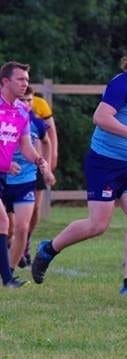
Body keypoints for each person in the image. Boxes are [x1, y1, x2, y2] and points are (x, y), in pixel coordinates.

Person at [31, 44, 127, 294]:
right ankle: (49, 248)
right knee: (98, 225)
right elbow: (101, 117)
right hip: (104, 163)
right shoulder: (123, 84)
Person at [0, 61, 55, 288]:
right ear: (5, 82)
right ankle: (8, 279)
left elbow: (25, 145)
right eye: (20, 79)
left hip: (11, 175)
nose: (25, 84)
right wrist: (5, 162)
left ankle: (9, 274)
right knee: (3, 222)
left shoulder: (23, 111)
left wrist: (41, 162)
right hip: (4, 171)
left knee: (19, 227)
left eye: (26, 80)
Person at [6, 88, 53, 271]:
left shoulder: (35, 121)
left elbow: (45, 142)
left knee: (24, 224)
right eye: (23, 100)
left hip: (28, 175)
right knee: (7, 227)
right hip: (5, 177)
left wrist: (46, 166)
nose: (26, 104)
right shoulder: (5, 115)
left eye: (29, 100)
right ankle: (11, 249)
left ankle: (11, 269)